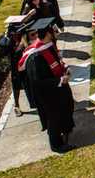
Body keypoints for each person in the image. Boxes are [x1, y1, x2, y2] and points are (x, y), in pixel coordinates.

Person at [23, 18, 75, 153]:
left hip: (58, 88)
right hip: (47, 94)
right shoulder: (35, 56)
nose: (56, 34)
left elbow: (57, 62)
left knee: (67, 106)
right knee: (53, 118)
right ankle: (56, 145)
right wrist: (60, 81)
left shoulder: (48, 47)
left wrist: (64, 68)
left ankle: (66, 129)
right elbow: (37, 81)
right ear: (47, 34)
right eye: (53, 32)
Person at [8, 18, 37, 117]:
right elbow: (4, 46)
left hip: (26, 66)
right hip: (16, 67)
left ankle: (35, 102)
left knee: (30, 85)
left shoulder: (24, 38)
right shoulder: (9, 41)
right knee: (16, 86)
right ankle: (16, 105)